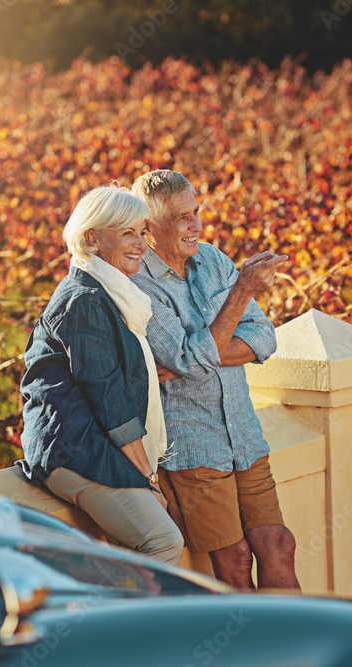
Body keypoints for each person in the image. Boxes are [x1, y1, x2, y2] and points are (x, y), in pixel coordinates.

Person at [130, 169, 300, 590]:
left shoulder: (212, 259)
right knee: (235, 562)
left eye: (196, 212)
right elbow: (186, 356)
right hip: (192, 447)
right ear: (148, 227)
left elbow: (263, 336)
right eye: (182, 218)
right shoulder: (139, 284)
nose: (197, 226)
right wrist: (242, 291)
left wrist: (195, 356)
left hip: (244, 433)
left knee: (279, 544)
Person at [18, 183, 183, 566]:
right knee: (163, 541)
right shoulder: (85, 299)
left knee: (136, 554)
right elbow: (109, 398)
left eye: (142, 232)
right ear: (92, 238)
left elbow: (110, 371)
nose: (141, 243)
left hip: (90, 443)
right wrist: (147, 479)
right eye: (127, 232)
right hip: (74, 449)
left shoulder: (106, 291)